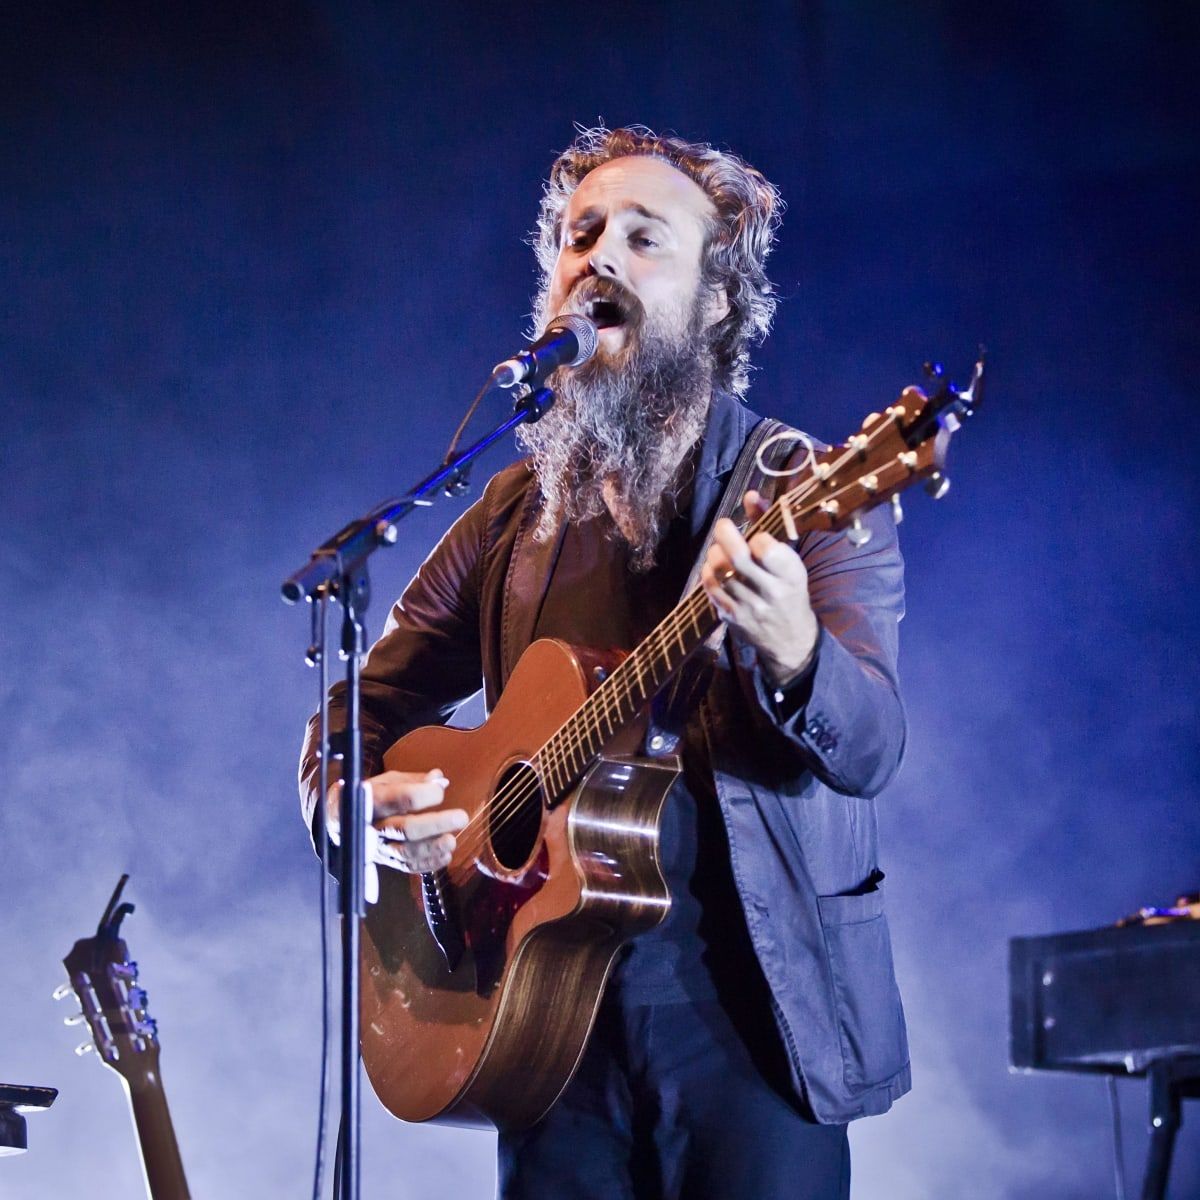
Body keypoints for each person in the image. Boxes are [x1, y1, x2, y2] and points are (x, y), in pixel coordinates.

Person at [300, 125, 909, 1200]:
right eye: (581, 236)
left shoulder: (798, 488)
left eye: (644, 237)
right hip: (540, 1019)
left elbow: (870, 745)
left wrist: (795, 647)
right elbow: (370, 698)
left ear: (717, 305)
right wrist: (354, 803)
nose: (601, 259)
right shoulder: (511, 511)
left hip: (751, 1021)